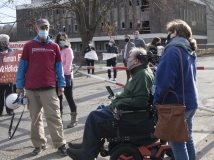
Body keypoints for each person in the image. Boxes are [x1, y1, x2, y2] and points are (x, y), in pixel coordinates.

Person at [66, 47, 155, 160]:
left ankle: (86, 155)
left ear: (136, 60)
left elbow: (141, 101)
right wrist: (116, 99)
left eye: (129, 57)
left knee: (94, 116)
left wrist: (119, 104)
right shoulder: (139, 72)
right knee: (100, 107)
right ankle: (88, 144)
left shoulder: (142, 75)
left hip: (134, 117)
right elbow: (129, 94)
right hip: (129, 111)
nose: (127, 59)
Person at [16, 19, 67, 156]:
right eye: (42, 27)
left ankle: (60, 143)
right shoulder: (29, 46)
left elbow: (59, 68)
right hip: (31, 88)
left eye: (47, 27)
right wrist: (19, 86)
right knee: (35, 118)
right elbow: (22, 67)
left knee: (54, 116)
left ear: (49, 28)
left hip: (49, 87)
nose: (44, 29)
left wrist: (61, 84)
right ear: (36, 28)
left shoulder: (54, 46)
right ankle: (39, 144)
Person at [153, 19, 198, 160]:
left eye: (169, 32)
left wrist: (157, 100)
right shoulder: (189, 50)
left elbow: (164, 82)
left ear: (175, 32)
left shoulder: (173, 50)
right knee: (187, 138)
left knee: (178, 145)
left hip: (175, 105)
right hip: (190, 102)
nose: (168, 36)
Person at [55, 32, 78, 128]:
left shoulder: (68, 50)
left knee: (69, 98)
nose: (62, 41)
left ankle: (74, 118)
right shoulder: (56, 50)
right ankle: (59, 119)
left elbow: (67, 66)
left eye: (63, 39)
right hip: (56, 78)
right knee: (58, 99)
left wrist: (59, 74)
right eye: (60, 39)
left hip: (66, 77)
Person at [0, 34, 14, 116]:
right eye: (4, 40)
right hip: (0, 78)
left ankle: (10, 110)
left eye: (7, 40)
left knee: (9, 95)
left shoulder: (10, 50)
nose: (6, 42)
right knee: (0, 96)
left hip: (9, 77)